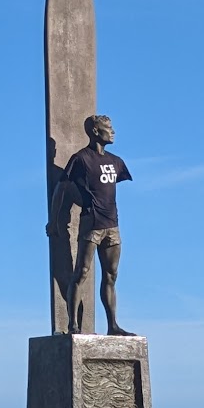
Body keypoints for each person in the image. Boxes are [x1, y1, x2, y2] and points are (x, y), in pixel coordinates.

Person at [47, 113, 135, 336]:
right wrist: (54, 221)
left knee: (111, 275)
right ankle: (73, 325)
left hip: (112, 225)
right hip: (91, 223)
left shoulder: (116, 162)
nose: (113, 131)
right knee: (82, 272)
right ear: (95, 132)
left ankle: (113, 325)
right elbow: (61, 189)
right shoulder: (81, 159)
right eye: (108, 128)